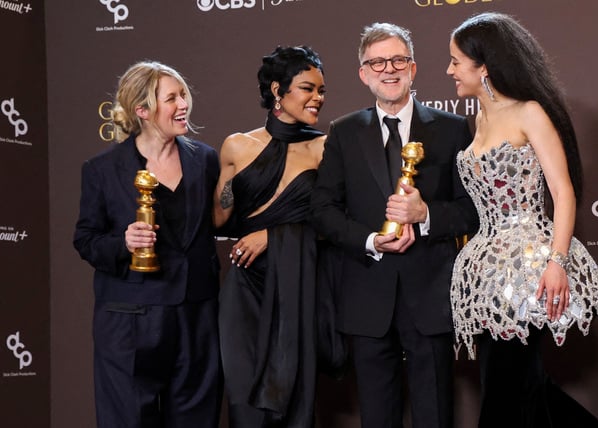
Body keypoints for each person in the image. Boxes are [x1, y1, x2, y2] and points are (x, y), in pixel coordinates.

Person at [447, 12, 598, 427]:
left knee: (506, 393)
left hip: (528, 269)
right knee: (523, 388)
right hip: (486, 274)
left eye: (455, 61)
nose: (449, 70)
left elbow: (563, 192)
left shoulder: (529, 112)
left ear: (483, 67)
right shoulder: (480, 119)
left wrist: (557, 262)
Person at [311, 22, 478, 428]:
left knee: (434, 414)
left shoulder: (452, 129)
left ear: (414, 68)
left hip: (430, 294)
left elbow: (473, 210)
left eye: (398, 59)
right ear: (363, 74)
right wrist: (369, 239)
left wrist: (426, 217)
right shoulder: (344, 132)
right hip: (368, 295)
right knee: (378, 416)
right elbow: (323, 210)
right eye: (378, 62)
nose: (390, 69)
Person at [73, 61, 222, 428]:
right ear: (142, 110)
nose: (183, 104)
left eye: (183, 94)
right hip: (130, 321)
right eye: (171, 98)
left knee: (197, 418)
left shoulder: (205, 159)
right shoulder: (102, 169)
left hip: (195, 315)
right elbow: (86, 239)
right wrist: (123, 242)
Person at [214, 46, 343, 427]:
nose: (318, 97)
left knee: (295, 394)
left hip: (298, 285)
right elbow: (219, 221)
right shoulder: (236, 145)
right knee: (243, 397)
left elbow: (333, 224)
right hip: (244, 287)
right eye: (307, 88)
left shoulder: (325, 150)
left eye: (321, 90)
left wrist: (274, 234)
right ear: (277, 90)